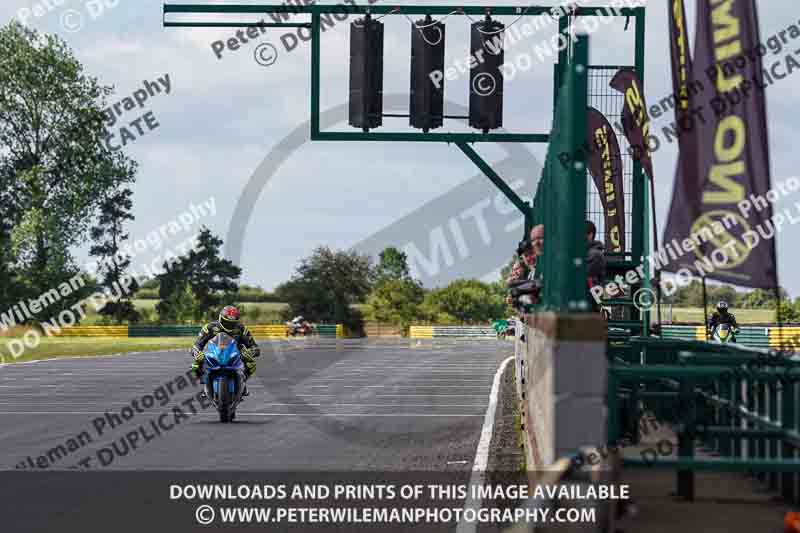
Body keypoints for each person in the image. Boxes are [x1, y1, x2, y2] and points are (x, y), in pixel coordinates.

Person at [191, 305, 260, 391]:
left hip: (236, 354)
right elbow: (197, 344)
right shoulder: (210, 327)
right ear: (220, 318)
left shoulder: (241, 329)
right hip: (214, 352)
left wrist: (251, 352)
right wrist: (197, 352)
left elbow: (255, 347)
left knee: (251, 363)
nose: (229, 325)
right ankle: (204, 380)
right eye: (226, 322)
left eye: (232, 323)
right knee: (195, 364)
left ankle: (243, 381)